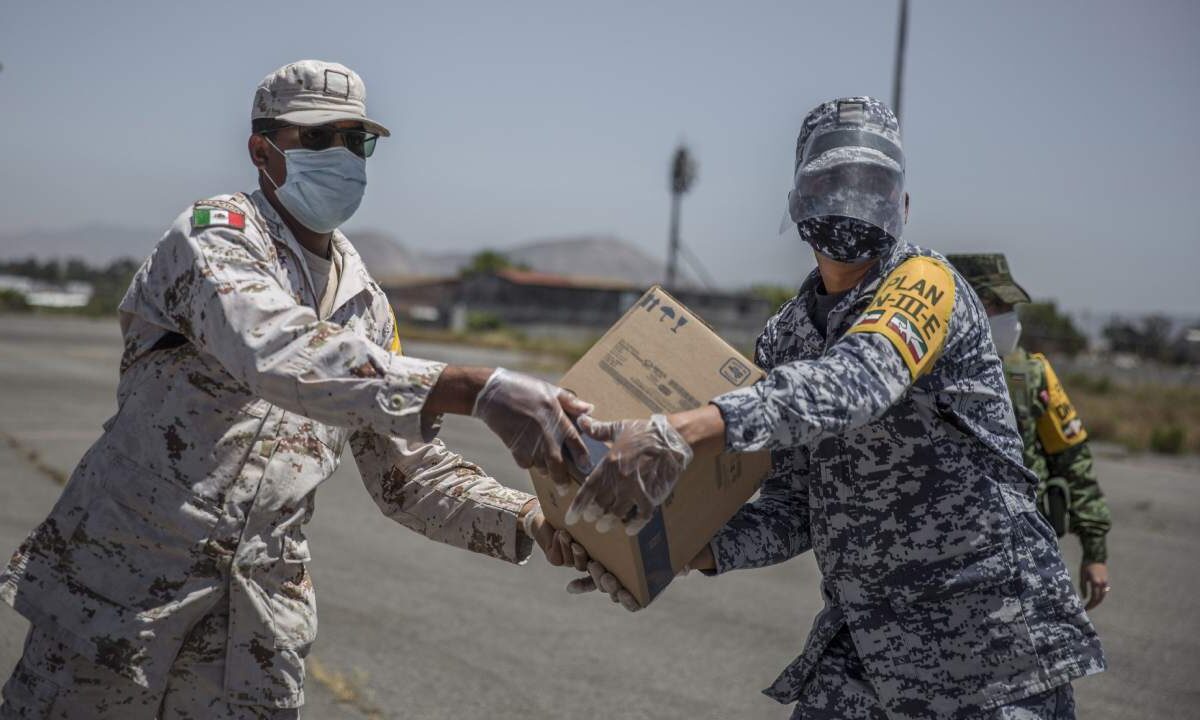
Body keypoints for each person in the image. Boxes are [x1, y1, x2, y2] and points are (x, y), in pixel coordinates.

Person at [0, 59, 601, 719]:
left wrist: (531, 520)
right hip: (123, 598)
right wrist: (473, 389)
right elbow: (277, 350)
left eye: (355, 140)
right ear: (262, 151)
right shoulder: (215, 236)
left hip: (254, 634)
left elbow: (410, 476)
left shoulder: (364, 303)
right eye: (317, 140)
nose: (341, 156)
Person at [568, 97, 1105, 719]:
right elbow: (797, 505)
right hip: (867, 644)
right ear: (799, 200)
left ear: (903, 204)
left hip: (988, 647)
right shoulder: (787, 336)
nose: (853, 202)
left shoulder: (928, 284)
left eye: (873, 186)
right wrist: (680, 550)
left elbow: (859, 380)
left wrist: (680, 431)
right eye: (831, 184)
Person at [946, 253, 1112, 611]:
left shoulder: (1030, 375)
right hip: (946, 561)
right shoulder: (923, 374)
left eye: (1008, 305)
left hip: (1021, 556)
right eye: (993, 304)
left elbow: (1075, 462)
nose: (1008, 317)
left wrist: (1094, 551)